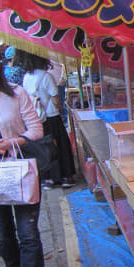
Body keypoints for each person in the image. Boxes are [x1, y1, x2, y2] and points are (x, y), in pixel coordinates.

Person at [0, 42, 51, 267]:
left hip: (18, 168)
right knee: (2, 233)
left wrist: (11, 142)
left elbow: (36, 130)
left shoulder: (16, 94)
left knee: (27, 231)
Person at [22, 53, 76, 188]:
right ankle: (65, 177)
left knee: (44, 147)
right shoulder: (46, 76)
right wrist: (60, 108)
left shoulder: (26, 77)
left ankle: (48, 179)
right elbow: (55, 98)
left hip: (36, 118)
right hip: (52, 116)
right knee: (61, 145)